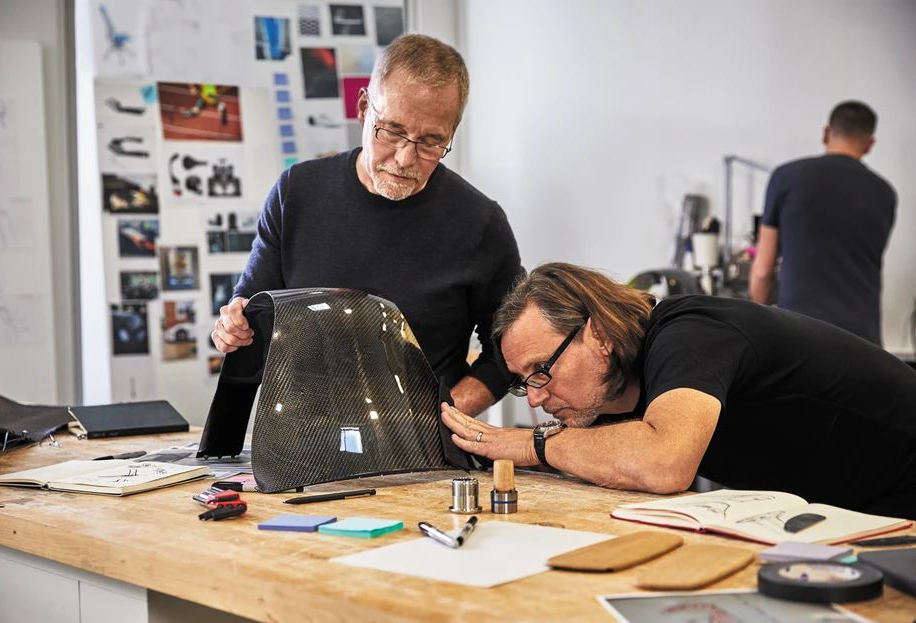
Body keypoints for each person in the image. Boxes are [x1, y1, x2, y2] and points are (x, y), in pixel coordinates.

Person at [442, 262, 916, 518]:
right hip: (848, 510)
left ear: (600, 334)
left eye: (541, 369)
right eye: (525, 384)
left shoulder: (691, 333)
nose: (539, 397)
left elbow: (664, 461)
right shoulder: (609, 399)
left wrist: (532, 444)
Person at [211, 34, 523, 417]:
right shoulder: (297, 193)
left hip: (419, 446)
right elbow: (249, 313)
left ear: (451, 135)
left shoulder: (480, 223)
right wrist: (232, 327)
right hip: (299, 440)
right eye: (391, 130)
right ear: (363, 108)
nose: (406, 158)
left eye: (431, 142)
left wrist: (443, 417)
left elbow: (510, 350)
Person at [750, 101, 897, 345]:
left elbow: (763, 270)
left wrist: (754, 318)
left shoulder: (786, 177)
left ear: (826, 133)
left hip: (798, 334)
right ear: (870, 144)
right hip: (863, 342)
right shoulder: (885, 193)